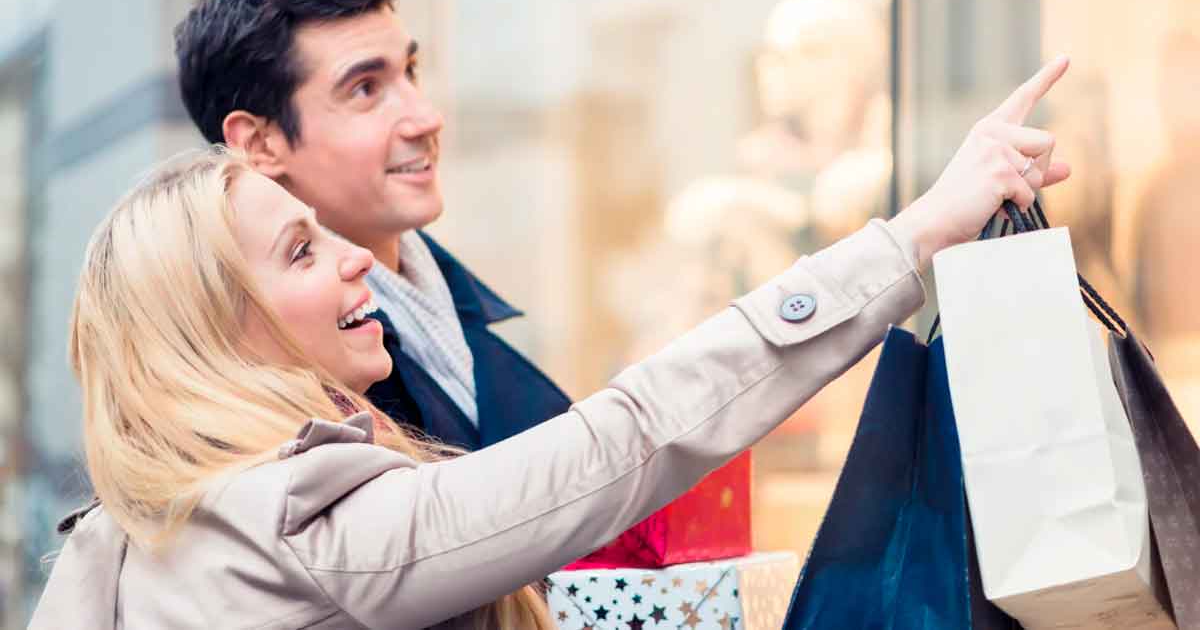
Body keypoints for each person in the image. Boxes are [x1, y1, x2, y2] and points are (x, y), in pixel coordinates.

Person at [29, 55, 1071, 628]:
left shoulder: (126, 540)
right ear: (215, 332)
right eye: (301, 253)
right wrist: (917, 233)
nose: (356, 262)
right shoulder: (305, 528)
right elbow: (632, 436)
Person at [173, 0, 571, 451]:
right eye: (366, 89)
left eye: (411, 71)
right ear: (259, 144)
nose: (425, 118)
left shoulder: (452, 307)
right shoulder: (283, 410)